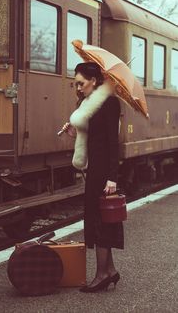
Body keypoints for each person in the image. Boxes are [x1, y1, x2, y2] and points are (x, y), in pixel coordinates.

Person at [61, 62, 124, 293]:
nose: (78, 87)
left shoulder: (109, 103)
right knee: (98, 218)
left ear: (94, 81)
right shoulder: (87, 103)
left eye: (81, 83)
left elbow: (112, 143)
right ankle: (110, 271)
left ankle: (101, 275)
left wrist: (112, 178)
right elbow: (92, 136)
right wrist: (75, 132)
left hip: (103, 171)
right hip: (93, 167)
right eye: (75, 83)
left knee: (100, 220)